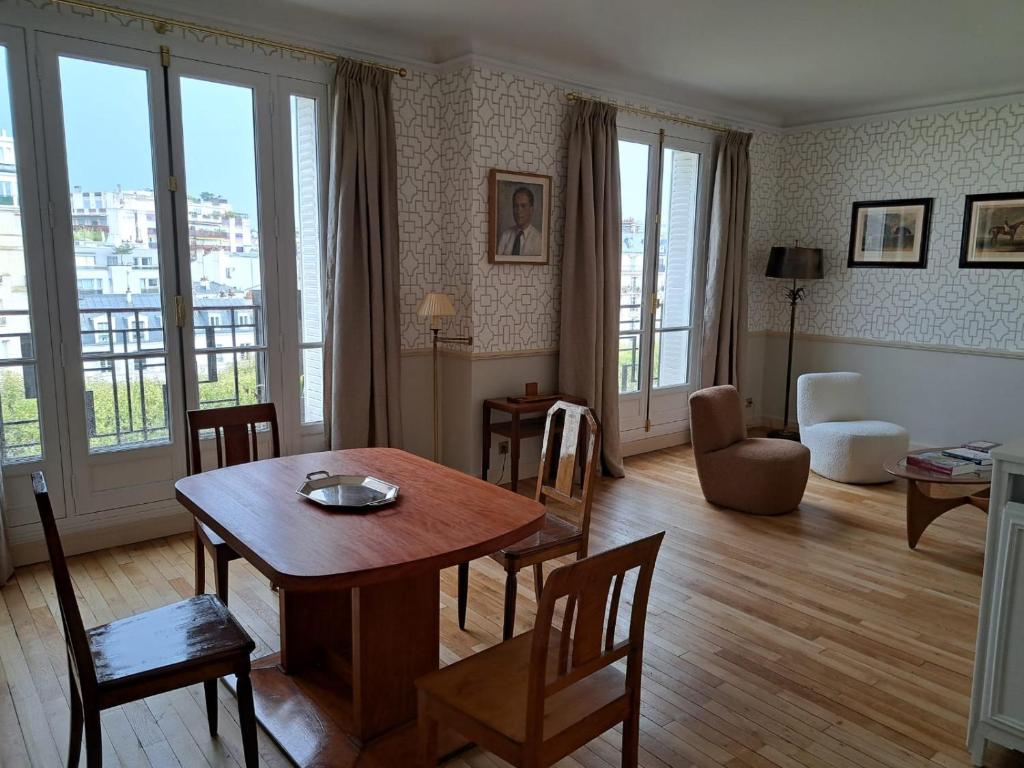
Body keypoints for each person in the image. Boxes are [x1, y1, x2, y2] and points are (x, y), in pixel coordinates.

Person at [496, 186, 542, 256]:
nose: (518, 211)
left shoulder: (539, 240)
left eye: (523, 206)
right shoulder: (505, 236)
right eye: (515, 206)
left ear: (531, 210)